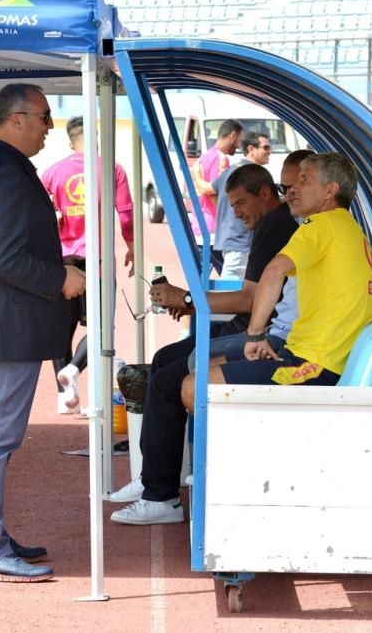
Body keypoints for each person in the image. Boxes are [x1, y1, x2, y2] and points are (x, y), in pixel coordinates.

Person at [110, 164, 299, 518]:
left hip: (263, 336)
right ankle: (156, 475)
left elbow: (249, 299)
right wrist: (191, 304)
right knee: (166, 359)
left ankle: (160, 494)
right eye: (232, 205)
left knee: (168, 380)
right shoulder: (277, 225)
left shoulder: (278, 224)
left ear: (265, 194)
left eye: (242, 203)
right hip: (254, 330)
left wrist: (186, 300)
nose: (237, 212)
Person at [0, 83, 85, 583]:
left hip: (3, 322)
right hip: (8, 324)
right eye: (44, 117)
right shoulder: (5, 172)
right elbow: (8, 258)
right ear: (16, 119)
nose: (50, 126)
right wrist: (61, 277)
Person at [211, 152, 372, 387]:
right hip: (321, 356)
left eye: (304, 181)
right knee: (205, 368)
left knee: (195, 385)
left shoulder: (321, 224)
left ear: (330, 191)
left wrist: (255, 335)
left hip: (315, 362)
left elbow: (274, 272)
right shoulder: (353, 231)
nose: (293, 190)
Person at [182, 149, 315, 404]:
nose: (289, 195)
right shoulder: (304, 226)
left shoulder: (290, 225)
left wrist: (189, 301)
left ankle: (201, 443)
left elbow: (254, 296)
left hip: (287, 342)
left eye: (298, 185)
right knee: (187, 363)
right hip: (285, 335)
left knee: (190, 371)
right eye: (285, 188)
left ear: (328, 188)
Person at [41, 115, 134, 413]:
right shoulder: (112, 168)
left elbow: (41, 215)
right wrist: (132, 246)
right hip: (99, 258)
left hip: (64, 261)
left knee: (60, 327)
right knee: (101, 326)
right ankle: (74, 368)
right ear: (95, 138)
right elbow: (126, 213)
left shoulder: (52, 172)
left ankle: (63, 396)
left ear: (71, 142)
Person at [212, 132, 271, 283]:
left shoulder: (233, 169)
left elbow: (212, 191)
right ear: (251, 149)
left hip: (227, 241)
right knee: (231, 289)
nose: (269, 152)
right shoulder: (249, 173)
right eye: (265, 147)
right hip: (241, 243)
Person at [189, 119, 244, 275]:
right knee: (229, 279)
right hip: (214, 230)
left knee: (200, 280)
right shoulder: (221, 158)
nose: (239, 145)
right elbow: (215, 193)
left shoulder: (202, 158)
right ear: (233, 135)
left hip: (201, 226)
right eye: (239, 140)